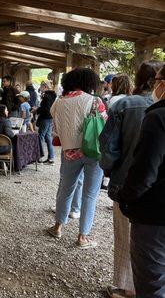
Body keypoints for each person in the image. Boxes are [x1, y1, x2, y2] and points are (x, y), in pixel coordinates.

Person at [100, 61, 163, 298]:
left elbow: (108, 148)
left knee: (129, 240)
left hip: (130, 184)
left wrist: (110, 174)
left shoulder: (127, 105)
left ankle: (127, 288)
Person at [118, 64, 165, 298]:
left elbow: (145, 172)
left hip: (154, 214)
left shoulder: (158, 117)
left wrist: (126, 199)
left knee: (152, 283)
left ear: (163, 85)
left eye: (157, 81)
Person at [47, 68, 106, 249]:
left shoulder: (58, 102)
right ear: (90, 82)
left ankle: (58, 227)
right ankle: (82, 237)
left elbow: (56, 129)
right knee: (90, 194)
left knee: (66, 188)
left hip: (69, 152)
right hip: (93, 152)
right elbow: (105, 124)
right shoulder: (95, 101)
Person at [36, 87, 56, 164]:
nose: (40, 88)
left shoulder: (47, 96)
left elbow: (46, 109)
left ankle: (40, 156)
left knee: (41, 136)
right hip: (50, 118)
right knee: (48, 138)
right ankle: (51, 158)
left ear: (45, 87)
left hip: (45, 118)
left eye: (41, 86)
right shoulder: (52, 95)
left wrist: (37, 110)